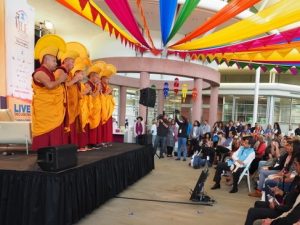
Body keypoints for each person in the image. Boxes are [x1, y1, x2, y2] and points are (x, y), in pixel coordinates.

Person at [31, 34, 67, 150]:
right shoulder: (40, 72)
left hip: (53, 110)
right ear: (45, 60)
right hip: (45, 112)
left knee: (55, 139)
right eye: (54, 61)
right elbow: (50, 86)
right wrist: (60, 80)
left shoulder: (51, 73)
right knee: (45, 138)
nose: (56, 63)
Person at [244, 152, 300, 225]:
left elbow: (291, 209)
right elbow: (291, 196)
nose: (295, 167)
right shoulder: (297, 178)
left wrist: (276, 207)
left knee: (252, 212)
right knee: (258, 203)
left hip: (283, 211)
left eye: (296, 164)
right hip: (283, 206)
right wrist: (282, 193)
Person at [55, 43, 80, 144]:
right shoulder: (60, 71)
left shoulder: (68, 73)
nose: (73, 64)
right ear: (64, 61)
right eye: (72, 61)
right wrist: (74, 80)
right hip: (63, 103)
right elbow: (61, 85)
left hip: (71, 104)